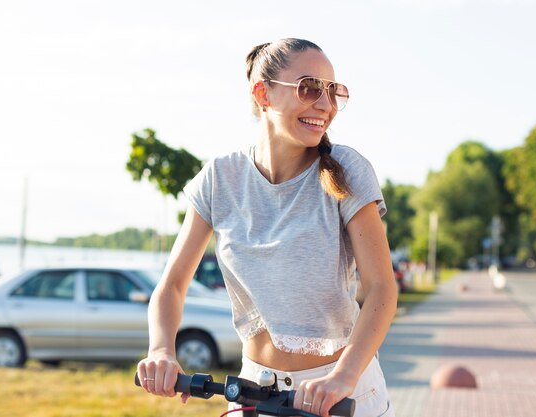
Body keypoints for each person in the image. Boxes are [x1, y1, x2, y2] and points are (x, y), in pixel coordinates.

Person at [137, 38, 397, 417]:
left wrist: (343, 376)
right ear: (263, 94)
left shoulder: (349, 170)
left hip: (339, 393)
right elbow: (173, 286)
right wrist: (161, 350)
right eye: (309, 88)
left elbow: (381, 288)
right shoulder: (219, 178)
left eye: (333, 92)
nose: (325, 105)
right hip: (254, 391)